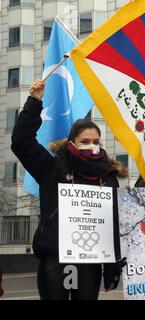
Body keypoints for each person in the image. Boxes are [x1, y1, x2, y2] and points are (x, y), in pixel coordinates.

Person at [11, 80, 125, 300]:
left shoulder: (108, 178)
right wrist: (35, 101)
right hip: (55, 260)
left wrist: (112, 269)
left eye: (96, 141)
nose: (91, 146)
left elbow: (114, 224)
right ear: (72, 142)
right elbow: (21, 142)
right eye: (85, 141)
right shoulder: (52, 168)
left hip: (90, 263)